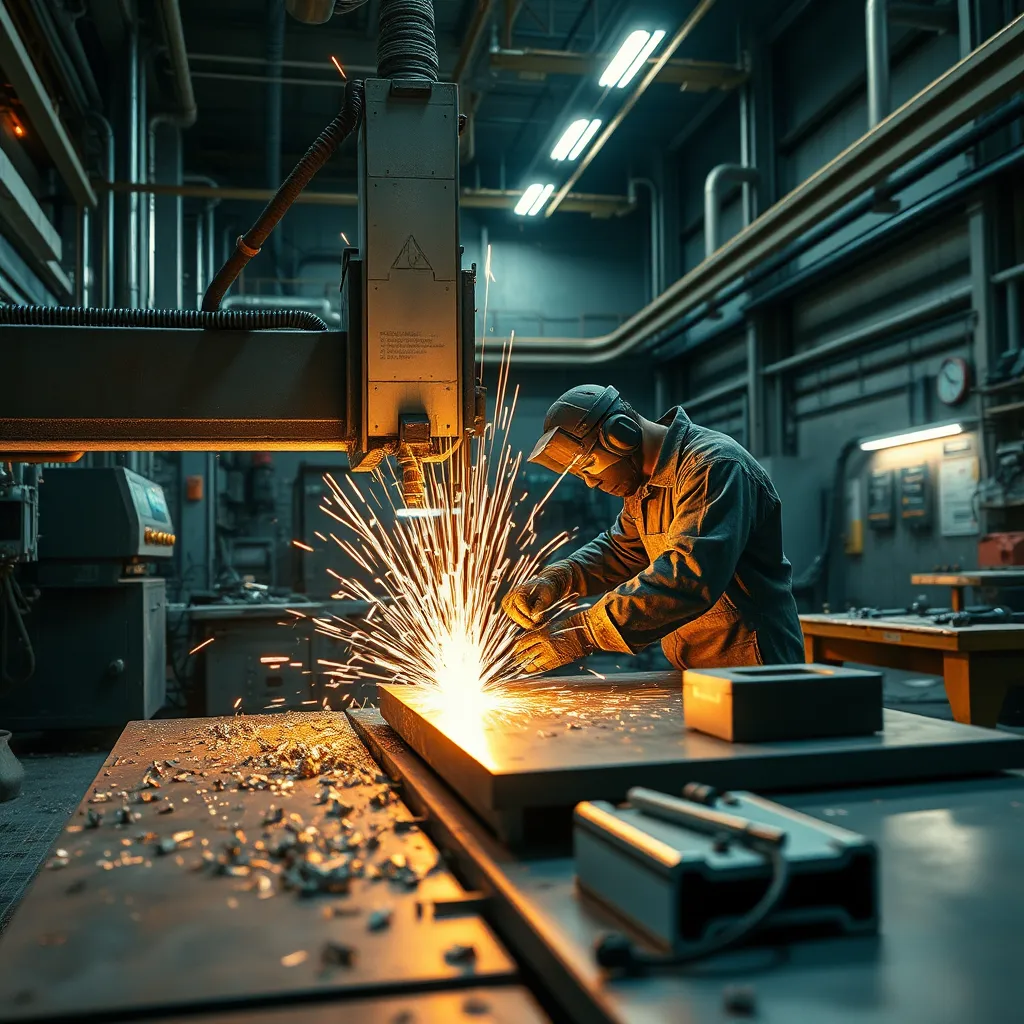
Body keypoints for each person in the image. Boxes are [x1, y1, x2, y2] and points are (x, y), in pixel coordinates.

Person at [503, 385, 805, 675]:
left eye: (590, 465)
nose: (591, 482)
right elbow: (621, 550)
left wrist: (584, 632)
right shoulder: (645, 486)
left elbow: (688, 576)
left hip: (754, 665)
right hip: (697, 664)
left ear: (620, 434)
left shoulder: (713, 466)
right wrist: (559, 577)